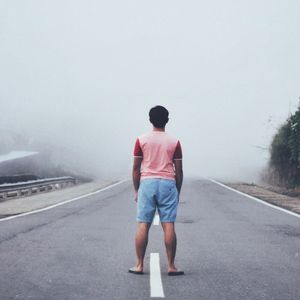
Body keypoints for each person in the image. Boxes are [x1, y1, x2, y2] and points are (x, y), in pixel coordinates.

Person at [129, 105, 184, 276]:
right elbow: (179, 170)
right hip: (168, 183)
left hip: (147, 183)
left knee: (143, 224)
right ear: (167, 120)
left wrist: (137, 189)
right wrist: (177, 191)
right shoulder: (175, 141)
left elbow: (136, 168)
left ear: (150, 120)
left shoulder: (141, 140)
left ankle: (139, 265)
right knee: (168, 224)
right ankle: (171, 266)